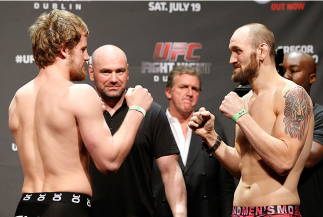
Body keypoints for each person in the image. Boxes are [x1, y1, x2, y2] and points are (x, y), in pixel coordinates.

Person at [8, 10, 153, 217]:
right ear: (64, 50)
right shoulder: (79, 93)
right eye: (83, 49)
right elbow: (109, 162)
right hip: (66, 207)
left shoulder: (18, 98)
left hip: (26, 206)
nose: (86, 57)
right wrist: (137, 110)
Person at [188, 23, 314, 217]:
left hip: (278, 212)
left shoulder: (292, 95)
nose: (231, 60)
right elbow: (242, 167)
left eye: (237, 51)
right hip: (239, 211)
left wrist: (240, 116)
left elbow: (283, 162)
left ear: (261, 51)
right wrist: (211, 138)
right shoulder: (245, 101)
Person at [88, 45, 187, 217]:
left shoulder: (151, 112)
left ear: (128, 72)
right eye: (105, 72)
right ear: (91, 73)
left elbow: (171, 170)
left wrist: (180, 213)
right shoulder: (80, 112)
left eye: (119, 71)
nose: (113, 79)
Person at [152, 66, 236, 217]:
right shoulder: (154, 129)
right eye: (183, 87)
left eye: (195, 89)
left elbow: (226, 187)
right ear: (168, 92)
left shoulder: (213, 131)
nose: (189, 93)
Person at [282, 51, 323, 217]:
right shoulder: (274, 114)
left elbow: (310, 158)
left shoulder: (320, 115)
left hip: (310, 207)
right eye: (283, 70)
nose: (286, 76)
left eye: (294, 70)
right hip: (277, 209)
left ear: (312, 78)